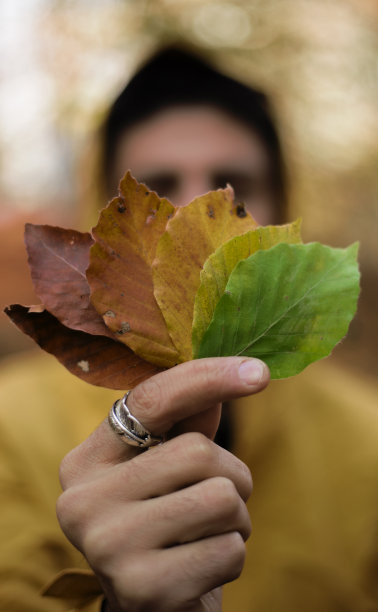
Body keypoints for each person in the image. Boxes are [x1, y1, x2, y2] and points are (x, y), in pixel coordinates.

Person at [1, 46, 378, 612]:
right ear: (103, 225)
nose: (195, 212)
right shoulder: (10, 427)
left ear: (284, 212)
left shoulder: (366, 442)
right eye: (157, 185)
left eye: (232, 184)